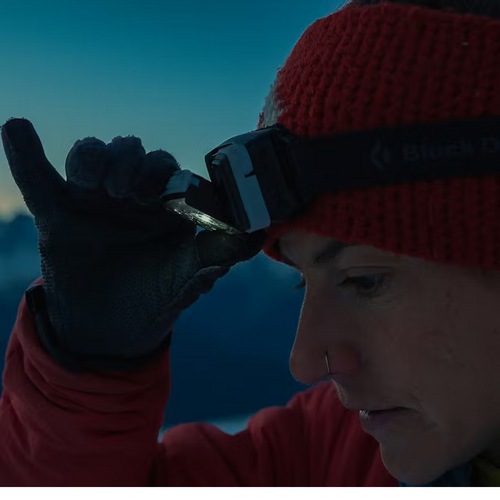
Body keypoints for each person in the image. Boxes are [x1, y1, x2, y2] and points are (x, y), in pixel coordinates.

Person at [1, 0, 500, 487]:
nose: (306, 362)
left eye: (365, 281)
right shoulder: (330, 453)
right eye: (300, 283)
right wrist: (88, 368)